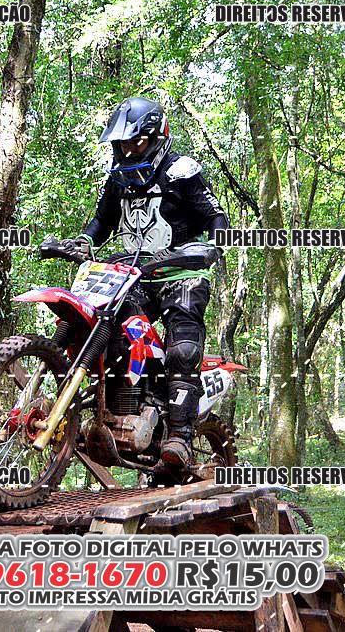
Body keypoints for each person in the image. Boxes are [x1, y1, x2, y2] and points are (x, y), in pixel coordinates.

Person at [65, 97, 230, 467]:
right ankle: (116, 410)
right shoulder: (116, 177)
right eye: (122, 143)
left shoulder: (181, 171)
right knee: (103, 328)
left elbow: (214, 215)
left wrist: (213, 246)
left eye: (136, 142)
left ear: (156, 137)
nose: (128, 150)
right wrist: (84, 241)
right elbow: (102, 221)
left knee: (182, 349)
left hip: (182, 273)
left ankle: (180, 438)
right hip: (134, 274)